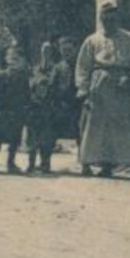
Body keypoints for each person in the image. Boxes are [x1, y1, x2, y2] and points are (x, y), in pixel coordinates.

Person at [75, 2, 130, 179]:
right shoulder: (92, 40)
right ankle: (100, 164)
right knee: (97, 126)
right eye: (106, 19)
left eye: (113, 19)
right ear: (100, 19)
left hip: (125, 86)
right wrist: (83, 89)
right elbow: (83, 66)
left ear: (118, 20)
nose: (109, 23)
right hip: (100, 85)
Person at [25, 40, 74, 174]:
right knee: (33, 139)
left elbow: (56, 86)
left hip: (48, 107)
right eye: (43, 51)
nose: (46, 54)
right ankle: (31, 164)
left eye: (48, 51)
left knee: (47, 139)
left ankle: (45, 164)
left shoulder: (56, 68)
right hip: (35, 106)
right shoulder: (35, 69)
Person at [0, 43, 31, 174]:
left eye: (17, 59)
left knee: (14, 140)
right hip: (3, 112)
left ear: (22, 61)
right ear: (7, 59)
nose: (14, 62)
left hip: (17, 112)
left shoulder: (23, 77)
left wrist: (25, 109)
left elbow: (26, 95)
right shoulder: (2, 76)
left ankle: (10, 162)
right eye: (11, 58)